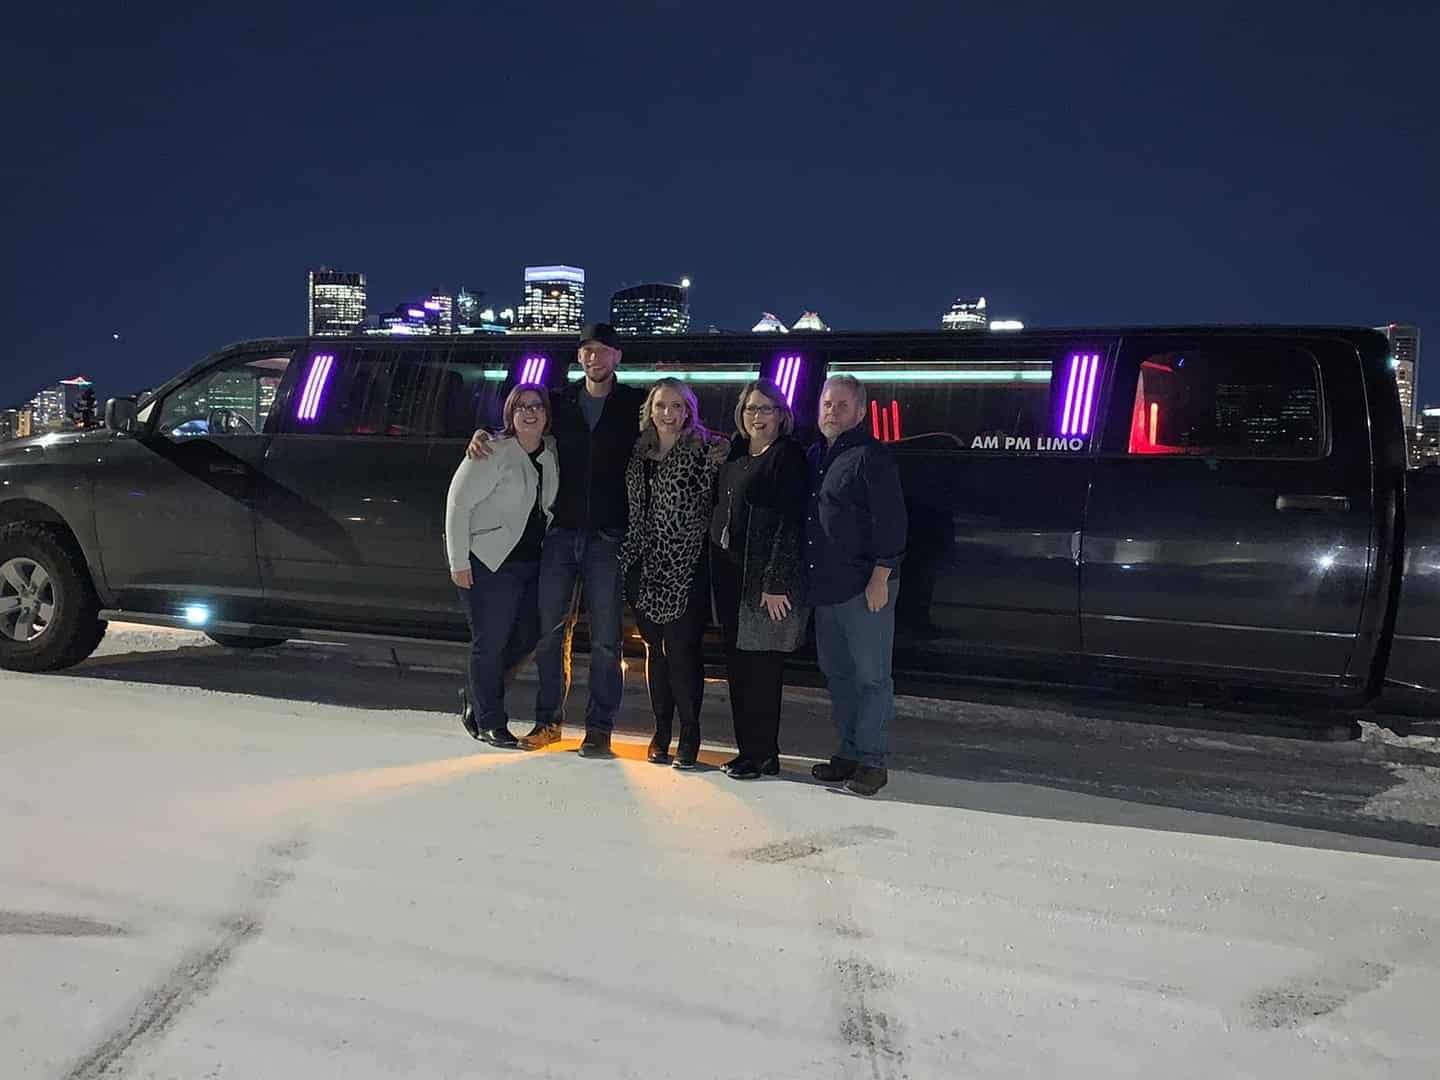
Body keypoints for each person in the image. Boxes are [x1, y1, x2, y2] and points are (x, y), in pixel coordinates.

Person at [467, 324, 647, 758]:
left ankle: (600, 728)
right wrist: (482, 436)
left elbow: (670, 433)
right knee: (550, 634)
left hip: (609, 535)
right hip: (561, 533)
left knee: (607, 638)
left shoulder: (634, 404)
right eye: (586, 351)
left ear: (616, 357)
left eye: (602, 351)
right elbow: (522, 430)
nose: (593, 358)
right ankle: (548, 722)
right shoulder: (559, 401)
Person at [805, 375, 907, 797]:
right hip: (826, 588)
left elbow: (892, 519)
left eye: (842, 406)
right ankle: (847, 753)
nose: (832, 411)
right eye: (827, 404)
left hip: (864, 587)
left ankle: (872, 762)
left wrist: (881, 575)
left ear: (861, 412)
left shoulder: (871, 457)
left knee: (871, 678)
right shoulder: (816, 456)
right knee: (839, 676)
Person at [619, 378, 729, 769]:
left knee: (681, 651)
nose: (668, 414)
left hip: (687, 565)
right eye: (661, 405)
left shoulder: (707, 451)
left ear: (689, 411)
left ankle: (691, 732)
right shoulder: (639, 452)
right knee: (654, 652)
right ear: (650, 409)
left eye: (676, 406)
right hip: (644, 566)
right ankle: (661, 729)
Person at [445, 384, 558, 747]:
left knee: (527, 636)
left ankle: (478, 693)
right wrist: (458, 561)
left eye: (536, 406)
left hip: (531, 564)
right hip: (488, 561)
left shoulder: (551, 452)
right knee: (489, 641)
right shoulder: (491, 450)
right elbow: (457, 505)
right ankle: (491, 720)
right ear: (509, 413)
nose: (529, 412)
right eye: (521, 406)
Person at [709, 379, 811, 780]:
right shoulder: (736, 453)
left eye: (766, 409)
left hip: (764, 582)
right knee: (737, 667)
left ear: (781, 415)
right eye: (751, 409)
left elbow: (790, 523)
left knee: (763, 671)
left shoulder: (788, 457)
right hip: (730, 575)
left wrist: (776, 582)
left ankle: (765, 754)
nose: (757, 416)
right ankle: (745, 750)